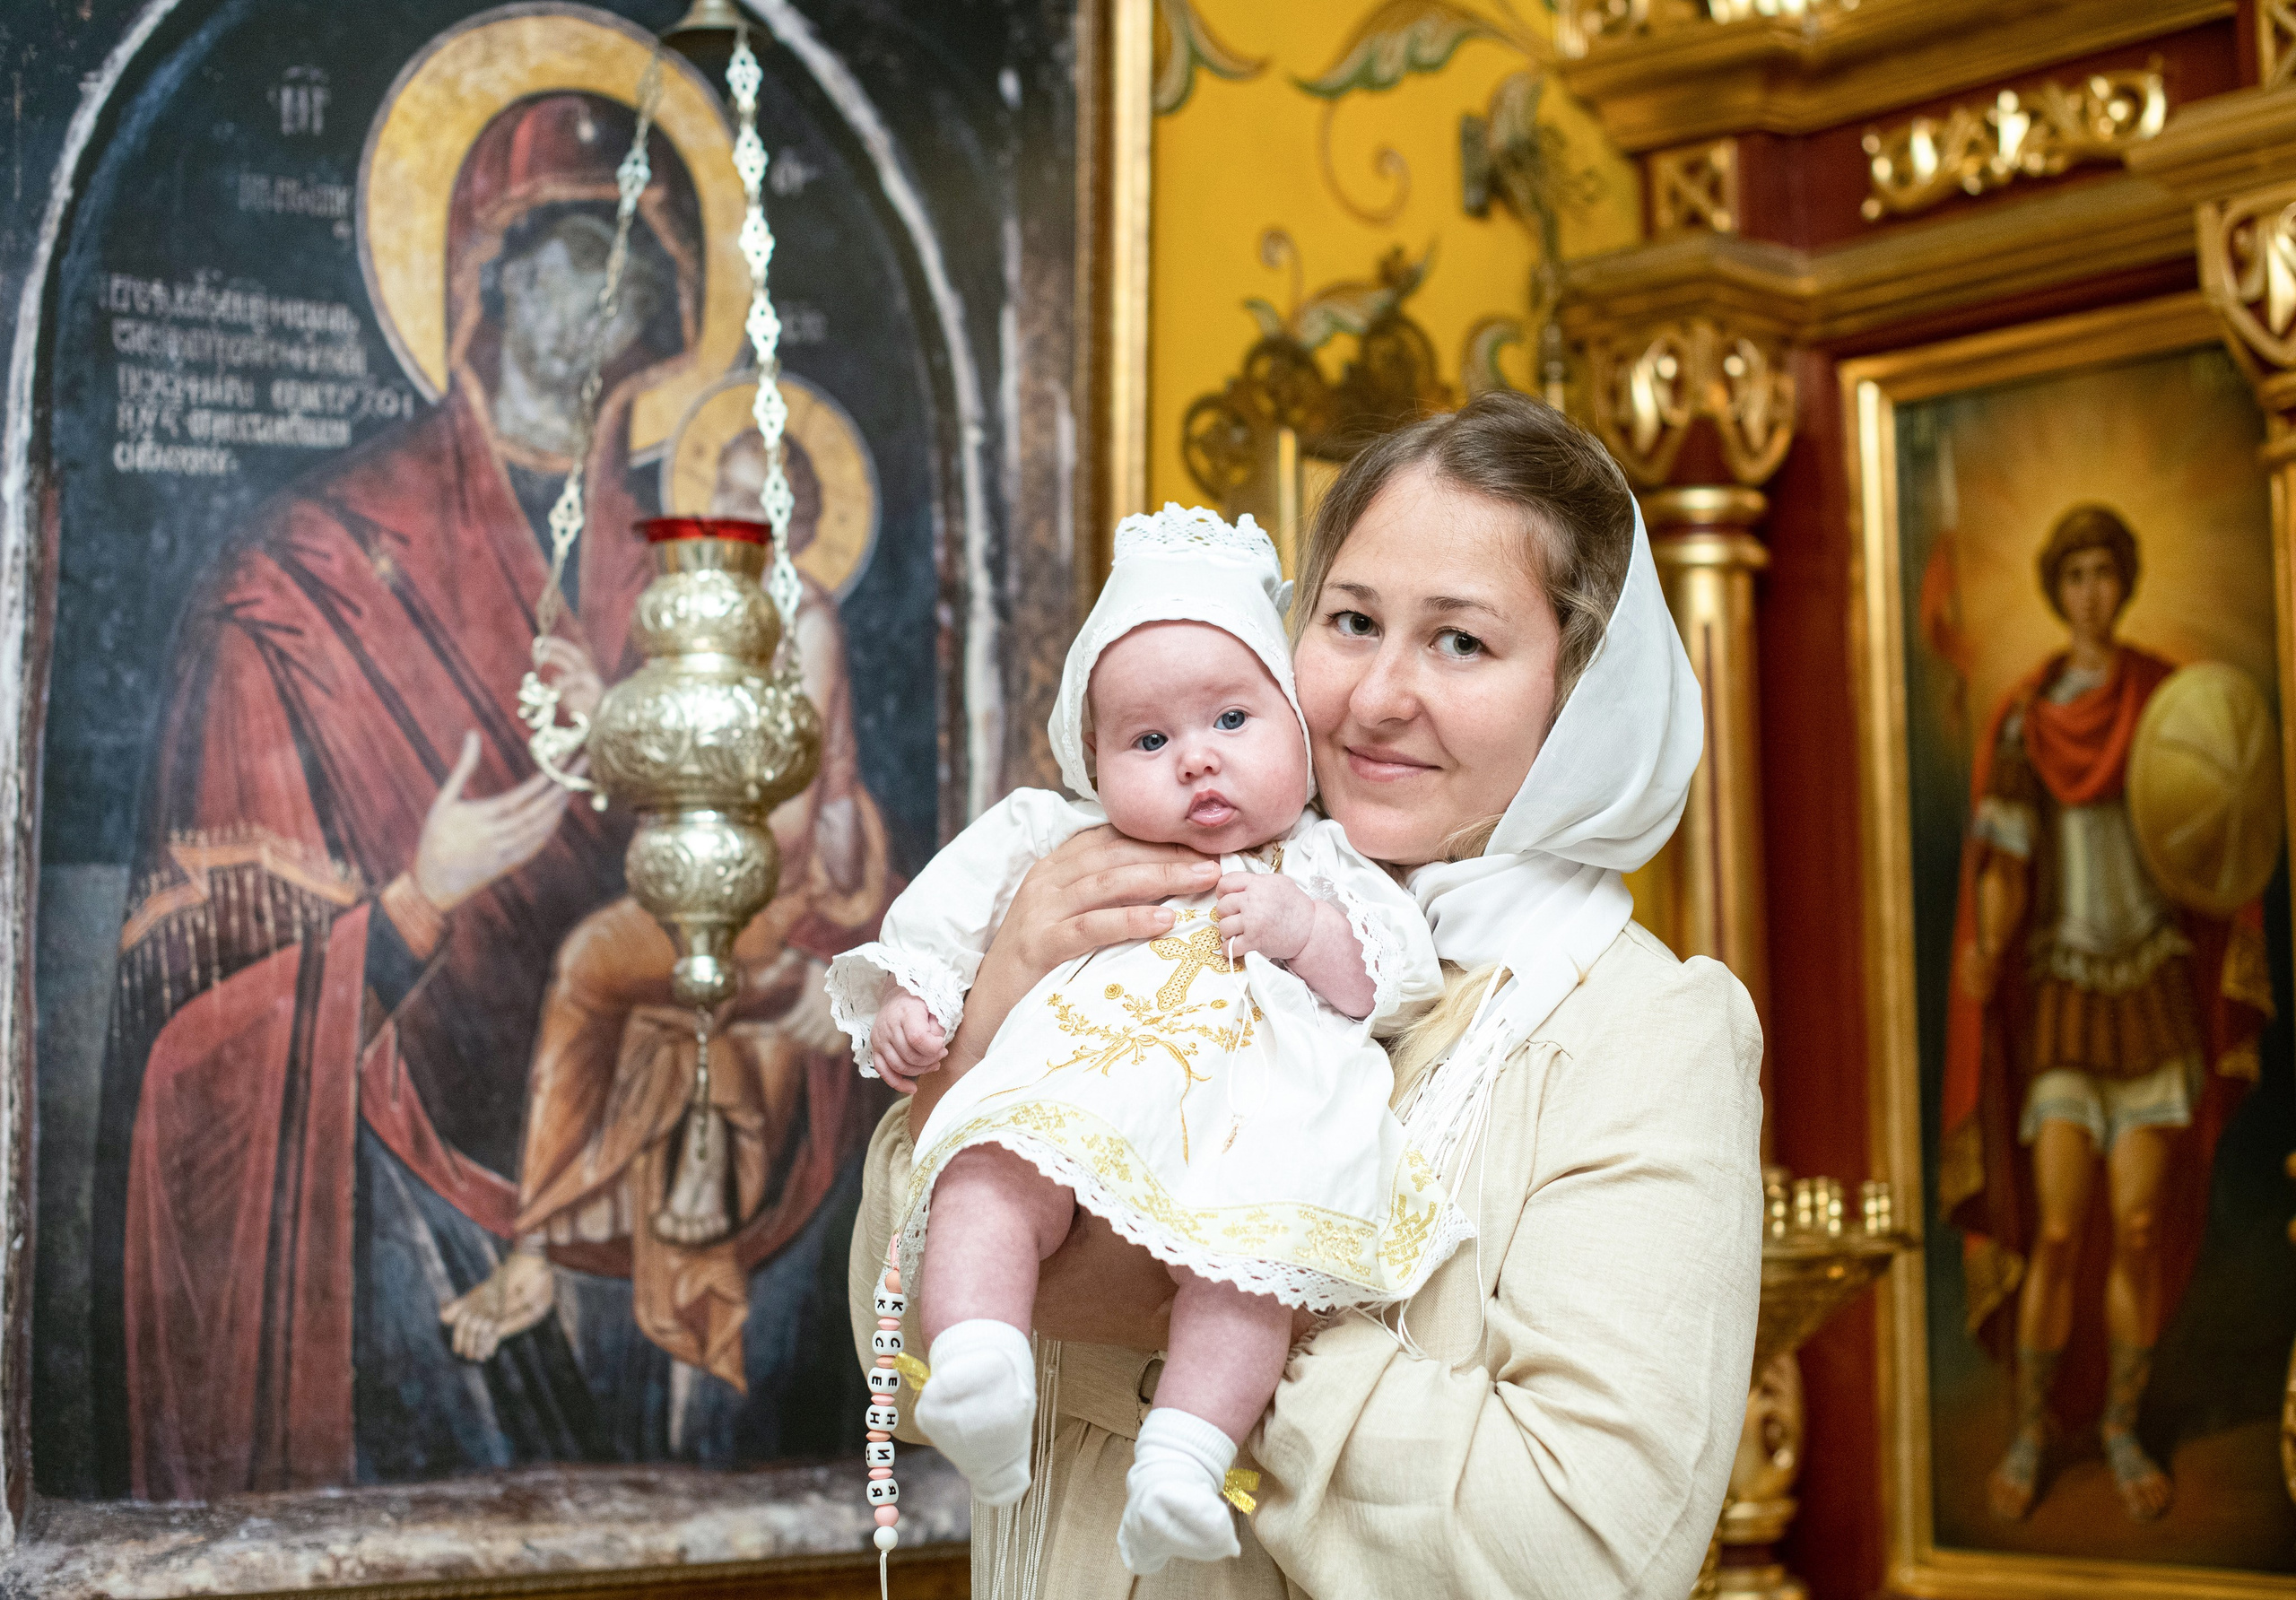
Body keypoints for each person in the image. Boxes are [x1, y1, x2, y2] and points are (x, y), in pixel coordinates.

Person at [848, 392, 1763, 1597]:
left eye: (1462, 642)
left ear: (1578, 690)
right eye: (1350, 620)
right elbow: (891, 1350)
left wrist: (1205, 1308)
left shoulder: (1641, 1031)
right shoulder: (1117, 904)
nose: (1378, 696)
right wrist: (984, 1030)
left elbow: (1580, 1553)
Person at [93, 93, 706, 1498]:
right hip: (391, 1210)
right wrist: (421, 898)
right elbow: (191, 1037)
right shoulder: (296, 581)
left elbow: (778, 911)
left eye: (645, 257)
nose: (612, 279)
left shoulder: (693, 586)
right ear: (481, 274)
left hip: (642, 1178)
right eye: (570, 242)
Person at [829, 507, 1465, 1575]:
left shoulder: (1323, 862)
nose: (1196, 764)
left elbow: (1383, 981)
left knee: (1252, 1275)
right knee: (993, 1173)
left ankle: (1183, 1456)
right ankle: (980, 1358)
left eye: (1230, 719)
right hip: (1079, 1092)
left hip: (1245, 1138)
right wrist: (919, 999)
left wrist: (1301, 929)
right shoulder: (1058, 837)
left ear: (1297, 733)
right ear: (1091, 761)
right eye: (1149, 740)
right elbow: (945, 910)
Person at [433, 423, 898, 1464]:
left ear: (805, 519)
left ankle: (534, 1248)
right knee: (592, 965)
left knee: (592, 966)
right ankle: (542, 1249)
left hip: (771, 892)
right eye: (723, 491)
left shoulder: (803, 622)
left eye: (760, 494)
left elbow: (776, 818)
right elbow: (664, 764)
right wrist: (603, 715)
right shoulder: (699, 627)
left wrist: (622, 731)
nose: (739, 515)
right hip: (706, 880)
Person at [1944, 505, 2267, 1523]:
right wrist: (1991, 943)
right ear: (2057, 585)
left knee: (2133, 1226)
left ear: (2121, 583)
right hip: (2066, 1000)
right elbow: (2006, 860)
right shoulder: (2023, 715)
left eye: (2103, 573)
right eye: (2073, 573)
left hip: (2152, 987)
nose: (2090, 591)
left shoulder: (2169, 701)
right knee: (2057, 1228)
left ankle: (2122, 1426)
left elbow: (2211, 834)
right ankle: (2037, 1428)